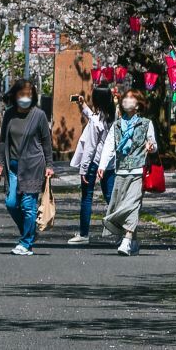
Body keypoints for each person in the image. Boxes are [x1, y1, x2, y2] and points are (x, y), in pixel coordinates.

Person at [0, 80, 53, 256]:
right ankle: (30, 232)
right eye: (22, 94)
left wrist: (49, 165)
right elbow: (3, 140)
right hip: (13, 166)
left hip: (33, 166)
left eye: (29, 94)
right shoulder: (9, 114)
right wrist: (0, 163)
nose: (25, 98)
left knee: (28, 205)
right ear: (15, 95)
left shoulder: (39, 115)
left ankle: (26, 243)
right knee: (11, 203)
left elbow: (46, 142)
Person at [99, 88, 157, 256]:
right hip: (121, 170)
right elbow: (110, 145)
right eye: (125, 98)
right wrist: (102, 166)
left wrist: (151, 147)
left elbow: (153, 145)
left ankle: (126, 240)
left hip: (138, 170)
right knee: (122, 205)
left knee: (132, 205)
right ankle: (134, 241)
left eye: (131, 99)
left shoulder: (146, 123)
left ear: (138, 104)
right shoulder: (117, 125)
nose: (127, 101)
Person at [66, 83, 114, 245]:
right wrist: (83, 105)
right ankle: (124, 230)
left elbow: (90, 147)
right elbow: (94, 118)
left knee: (87, 197)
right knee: (110, 197)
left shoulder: (97, 121)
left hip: (94, 163)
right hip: (109, 162)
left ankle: (84, 234)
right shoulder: (112, 117)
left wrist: (83, 169)